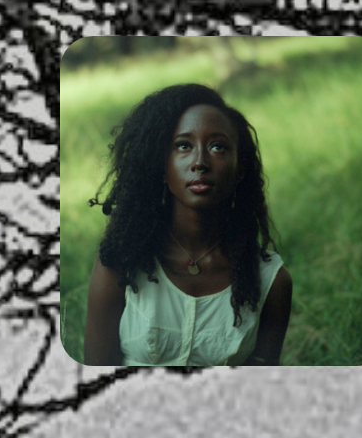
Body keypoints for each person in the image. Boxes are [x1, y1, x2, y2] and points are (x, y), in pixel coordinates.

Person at [83, 83, 293, 365]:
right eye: (183, 146)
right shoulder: (122, 262)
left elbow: (262, 385)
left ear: (240, 168)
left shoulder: (270, 281)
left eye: (218, 147)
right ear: (162, 165)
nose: (200, 162)